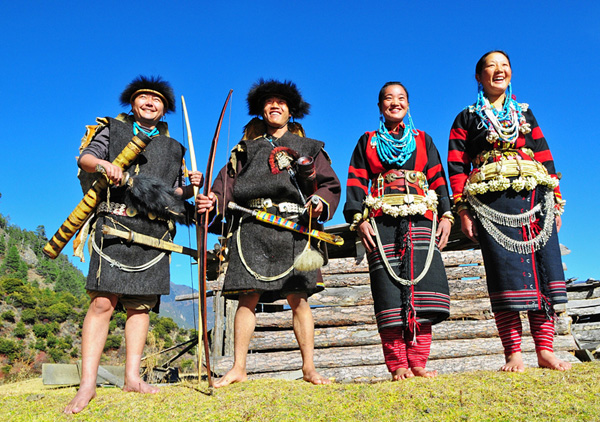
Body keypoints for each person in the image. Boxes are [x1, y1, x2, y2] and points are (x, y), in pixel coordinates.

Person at [65, 76, 202, 414]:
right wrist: (104, 164)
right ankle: (87, 386)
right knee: (102, 304)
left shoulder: (174, 148)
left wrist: (192, 187)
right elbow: (85, 158)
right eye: (144, 98)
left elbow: (173, 194)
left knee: (140, 307)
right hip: (114, 224)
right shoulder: (112, 129)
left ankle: (132, 378)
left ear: (164, 108)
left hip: (154, 233)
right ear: (133, 103)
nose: (150, 103)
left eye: (156, 100)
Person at [196, 79, 341, 387]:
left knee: (299, 298)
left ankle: (309, 368)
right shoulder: (244, 151)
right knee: (247, 298)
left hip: (295, 229)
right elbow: (224, 189)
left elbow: (329, 186)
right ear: (262, 110)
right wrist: (213, 200)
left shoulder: (310, 148)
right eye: (269, 102)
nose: (275, 106)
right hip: (251, 230)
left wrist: (319, 201)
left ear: (291, 111)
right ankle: (238, 368)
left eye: (282, 102)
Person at [447, 51, 570, 372]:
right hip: (492, 203)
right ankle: (513, 352)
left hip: (535, 198)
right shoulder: (466, 118)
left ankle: (545, 350)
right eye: (491, 65)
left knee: (543, 272)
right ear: (478, 76)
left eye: (504, 65)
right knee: (505, 276)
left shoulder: (526, 114)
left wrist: (555, 198)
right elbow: (456, 166)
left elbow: (545, 155)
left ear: (511, 73)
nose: (499, 70)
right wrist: (463, 209)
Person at [344, 82, 452, 380]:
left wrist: (446, 215)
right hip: (382, 222)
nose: (395, 102)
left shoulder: (423, 139)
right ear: (380, 106)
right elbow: (355, 182)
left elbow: (438, 179)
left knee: (425, 293)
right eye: (389, 98)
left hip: (422, 219)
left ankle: (418, 361)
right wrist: (359, 219)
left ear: (408, 104)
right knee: (389, 293)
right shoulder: (368, 141)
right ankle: (397, 365)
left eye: (401, 98)